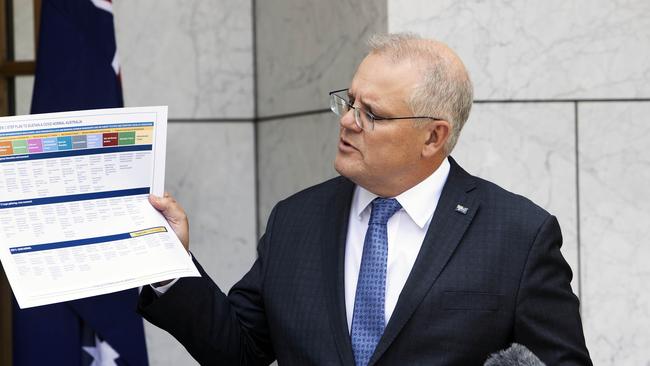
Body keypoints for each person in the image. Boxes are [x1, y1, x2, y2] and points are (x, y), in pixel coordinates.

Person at [139, 33, 592, 365]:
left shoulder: (517, 234)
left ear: (433, 137)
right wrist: (169, 263)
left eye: (371, 113)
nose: (348, 122)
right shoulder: (296, 219)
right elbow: (239, 351)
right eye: (349, 102)